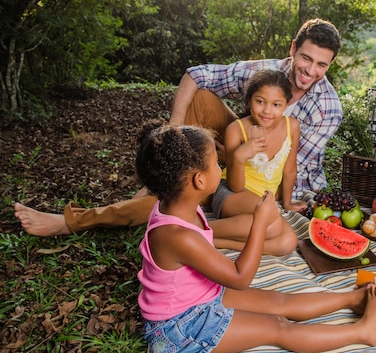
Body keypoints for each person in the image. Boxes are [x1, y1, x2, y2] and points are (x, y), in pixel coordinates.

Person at [14, 18, 342, 240]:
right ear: (293, 49)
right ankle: (171, 169)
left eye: (321, 64)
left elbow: (291, 167)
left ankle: (80, 219)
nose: (310, 71)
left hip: (257, 173)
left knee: (181, 191)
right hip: (235, 150)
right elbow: (195, 75)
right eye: (305, 58)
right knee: (199, 99)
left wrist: (279, 196)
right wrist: (174, 131)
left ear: (330, 65)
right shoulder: (263, 71)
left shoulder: (327, 108)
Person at [134, 121, 376, 353]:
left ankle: (353, 299)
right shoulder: (178, 235)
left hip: (200, 298)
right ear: (199, 180)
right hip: (180, 330)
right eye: (215, 164)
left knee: (280, 301)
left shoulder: (177, 206)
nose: (220, 167)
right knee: (278, 327)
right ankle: (364, 332)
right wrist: (260, 222)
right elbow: (240, 277)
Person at [209, 69, 306, 253]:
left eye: (276, 104)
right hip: (232, 193)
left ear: (286, 105)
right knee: (272, 223)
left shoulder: (291, 126)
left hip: (264, 201)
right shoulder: (236, 130)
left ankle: (213, 240)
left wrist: (287, 203)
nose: (267, 111)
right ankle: (197, 229)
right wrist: (239, 156)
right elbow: (235, 186)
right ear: (249, 100)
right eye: (260, 101)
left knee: (288, 242)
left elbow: (290, 169)